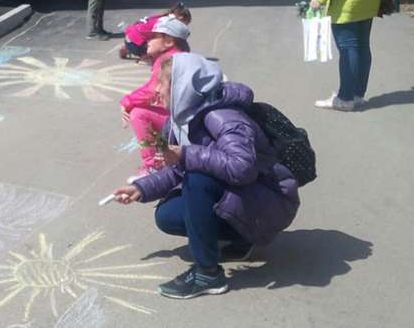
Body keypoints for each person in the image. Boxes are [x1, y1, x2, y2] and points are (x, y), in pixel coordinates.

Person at [112, 54, 300, 299]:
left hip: (270, 201)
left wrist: (186, 154)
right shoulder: (184, 118)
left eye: (162, 82)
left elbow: (242, 167)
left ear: (182, 87)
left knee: (197, 180)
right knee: (167, 215)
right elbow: (181, 166)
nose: (156, 89)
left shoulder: (222, 117)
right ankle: (243, 238)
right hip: (250, 197)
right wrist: (142, 188)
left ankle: (207, 274)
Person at [120, 16, 190, 177]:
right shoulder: (172, 56)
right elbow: (153, 85)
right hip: (181, 115)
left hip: (180, 120)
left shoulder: (169, 59)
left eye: (153, 37)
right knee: (142, 109)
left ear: (169, 41)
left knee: (139, 113)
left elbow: (152, 90)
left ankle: (154, 165)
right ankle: (163, 151)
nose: (147, 41)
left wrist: (127, 102)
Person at [119, 3, 192, 62]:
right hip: (136, 45)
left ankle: (126, 47)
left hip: (128, 37)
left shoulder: (161, 16)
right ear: (180, 18)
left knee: (142, 35)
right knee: (165, 46)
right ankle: (144, 55)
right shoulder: (167, 24)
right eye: (183, 24)